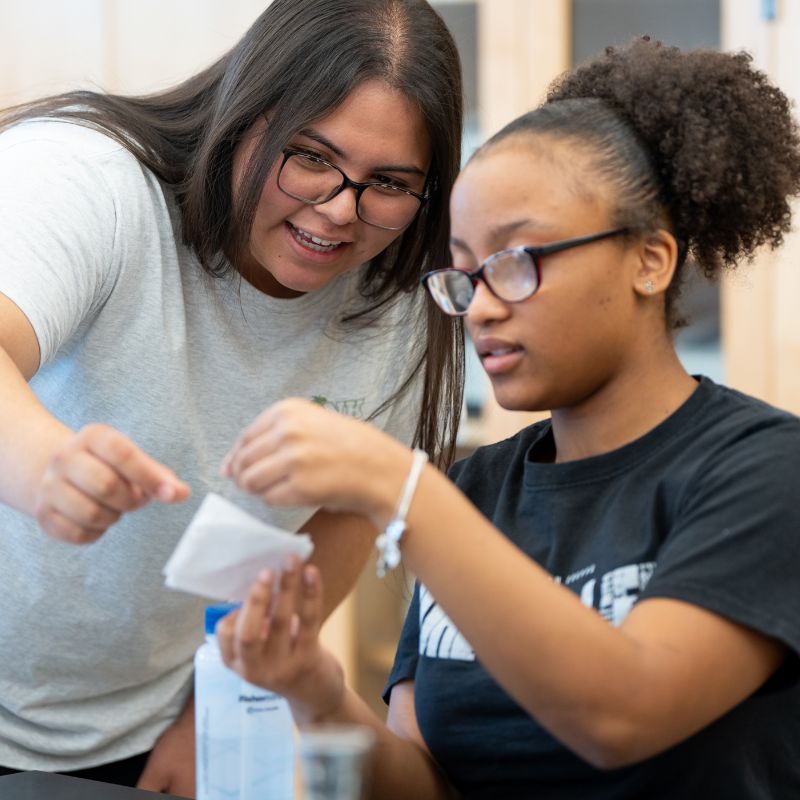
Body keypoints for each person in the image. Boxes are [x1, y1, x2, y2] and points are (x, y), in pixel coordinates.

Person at [216, 38, 800, 799]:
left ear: (651, 260)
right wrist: (315, 691)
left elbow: (622, 713)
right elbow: (429, 782)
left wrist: (401, 489)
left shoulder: (765, 472)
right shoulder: (475, 492)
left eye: (517, 259)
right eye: (464, 272)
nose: (481, 305)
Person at [0, 0, 463, 793]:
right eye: (311, 157)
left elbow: (351, 508)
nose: (340, 211)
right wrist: (45, 469)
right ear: (244, 114)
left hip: (140, 725)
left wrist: (217, 696)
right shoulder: (89, 179)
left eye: (389, 183)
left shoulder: (399, 303)